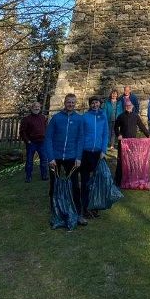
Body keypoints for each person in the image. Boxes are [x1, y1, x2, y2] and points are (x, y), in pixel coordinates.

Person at [44, 93, 86, 226]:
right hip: (55, 158)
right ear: (64, 102)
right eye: (69, 102)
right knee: (54, 186)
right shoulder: (56, 118)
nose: (71, 104)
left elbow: (80, 139)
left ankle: (78, 213)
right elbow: (48, 138)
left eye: (73, 102)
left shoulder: (79, 119)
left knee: (74, 186)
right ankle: (55, 212)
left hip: (72, 158)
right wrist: (50, 157)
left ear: (76, 103)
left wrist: (79, 157)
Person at [80, 97, 109, 219]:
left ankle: (95, 206)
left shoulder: (103, 116)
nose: (94, 104)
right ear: (90, 105)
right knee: (86, 181)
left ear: (99, 104)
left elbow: (105, 134)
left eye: (96, 102)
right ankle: (85, 207)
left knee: (97, 182)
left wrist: (103, 150)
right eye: (92, 103)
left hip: (98, 153)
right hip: (86, 152)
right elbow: (81, 135)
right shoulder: (85, 117)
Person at [114, 99, 150, 183]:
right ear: (125, 107)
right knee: (120, 160)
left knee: (131, 160)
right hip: (122, 142)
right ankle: (118, 180)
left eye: (130, 106)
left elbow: (142, 126)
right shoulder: (121, 116)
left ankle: (130, 178)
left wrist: (148, 135)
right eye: (127, 106)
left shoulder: (136, 116)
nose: (128, 107)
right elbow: (115, 127)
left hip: (132, 142)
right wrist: (118, 135)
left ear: (132, 107)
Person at [20, 102, 48, 182]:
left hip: (42, 142)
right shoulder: (26, 119)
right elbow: (22, 132)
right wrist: (27, 141)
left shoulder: (43, 118)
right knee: (29, 160)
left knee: (44, 159)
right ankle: (28, 177)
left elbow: (45, 128)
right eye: (35, 107)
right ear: (31, 108)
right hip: (31, 143)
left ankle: (44, 176)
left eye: (38, 107)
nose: (37, 108)